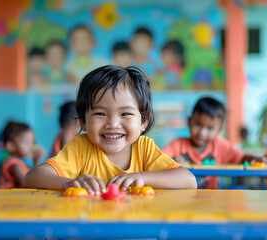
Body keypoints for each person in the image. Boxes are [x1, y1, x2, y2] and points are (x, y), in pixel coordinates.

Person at [25, 65, 197, 194]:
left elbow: (189, 180)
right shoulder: (80, 148)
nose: (113, 124)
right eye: (100, 113)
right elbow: (32, 178)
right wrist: (70, 183)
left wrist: (141, 178)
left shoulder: (144, 148)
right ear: (83, 121)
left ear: (143, 120)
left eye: (125, 114)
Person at [161, 97, 256, 189]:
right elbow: (158, 159)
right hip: (183, 199)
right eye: (198, 124)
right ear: (190, 121)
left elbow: (242, 157)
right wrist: (172, 161)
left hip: (211, 200)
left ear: (219, 129)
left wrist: (257, 159)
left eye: (210, 128)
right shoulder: (178, 145)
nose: (202, 132)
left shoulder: (221, 145)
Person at [0, 121, 45, 189]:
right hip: (10, 199)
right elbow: (27, 184)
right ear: (11, 145)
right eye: (27, 142)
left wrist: (35, 162)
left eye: (33, 142)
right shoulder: (14, 165)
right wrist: (37, 162)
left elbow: (32, 178)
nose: (32, 146)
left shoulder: (20, 163)